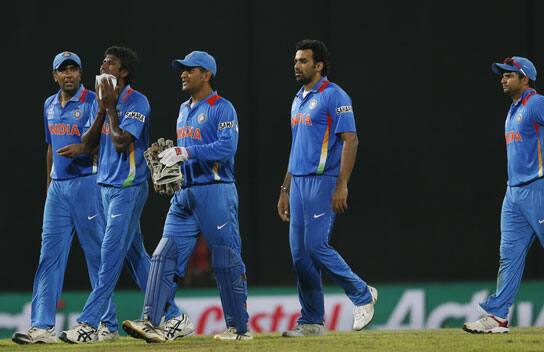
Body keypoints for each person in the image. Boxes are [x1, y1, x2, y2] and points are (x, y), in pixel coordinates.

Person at [59, 46, 187, 343]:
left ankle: (90, 323)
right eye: (102, 60)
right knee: (136, 259)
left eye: (111, 63)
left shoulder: (137, 102)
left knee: (109, 256)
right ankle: (174, 315)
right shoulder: (101, 100)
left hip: (128, 188)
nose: (103, 65)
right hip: (104, 187)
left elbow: (120, 143)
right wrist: (103, 107)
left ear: (124, 72)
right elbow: (89, 144)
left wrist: (112, 107)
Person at [122, 50, 251, 342]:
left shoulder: (222, 107)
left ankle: (239, 329)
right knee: (163, 255)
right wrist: (170, 166)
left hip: (215, 192)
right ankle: (152, 322)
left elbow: (227, 148)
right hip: (184, 194)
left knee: (225, 259)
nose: (182, 74)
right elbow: (183, 154)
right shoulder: (183, 108)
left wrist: (185, 151)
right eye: (181, 69)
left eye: (189, 69)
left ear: (206, 75)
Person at [463, 56, 544, 334]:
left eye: (509, 75)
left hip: (540, 189)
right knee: (509, 255)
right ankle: (497, 316)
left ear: (524, 78)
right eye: (502, 75)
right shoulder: (513, 109)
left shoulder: (536, 104)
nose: (503, 79)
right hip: (514, 194)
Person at [11, 51, 119, 344]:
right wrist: (49, 188)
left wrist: (83, 150)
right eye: (63, 71)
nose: (69, 75)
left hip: (87, 185)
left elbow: (105, 145)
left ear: (81, 73)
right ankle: (42, 326)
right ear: (54, 75)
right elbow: (50, 149)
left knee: (97, 254)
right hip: (58, 189)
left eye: (74, 70)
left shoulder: (92, 102)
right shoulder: (48, 104)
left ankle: (106, 324)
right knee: (49, 257)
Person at [276, 39, 377, 337]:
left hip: (323, 182)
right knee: (299, 256)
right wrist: (285, 189)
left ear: (319, 65)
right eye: (295, 61)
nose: (297, 65)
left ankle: (362, 294)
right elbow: (296, 147)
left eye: (303, 61)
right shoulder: (298, 98)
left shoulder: (335, 95)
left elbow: (351, 140)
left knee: (316, 247)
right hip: (298, 184)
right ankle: (311, 322)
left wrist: (341, 184)